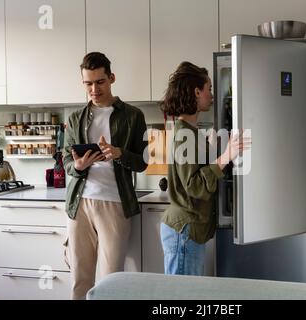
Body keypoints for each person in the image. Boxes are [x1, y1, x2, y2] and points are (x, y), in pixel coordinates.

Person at [63, 52, 148, 299]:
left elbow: (143, 162)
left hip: (115, 203)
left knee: (111, 280)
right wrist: (78, 166)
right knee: (80, 278)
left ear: (111, 78)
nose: (94, 89)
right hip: (79, 203)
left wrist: (119, 153)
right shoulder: (75, 118)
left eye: (99, 82)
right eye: (88, 83)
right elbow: (66, 161)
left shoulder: (133, 116)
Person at [159, 61, 247, 276]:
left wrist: (211, 149)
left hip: (188, 230)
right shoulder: (184, 134)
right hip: (184, 231)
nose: (212, 94)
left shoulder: (191, 132)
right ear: (196, 92)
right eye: (209, 88)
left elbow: (195, 169)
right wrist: (226, 156)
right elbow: (194, 185)